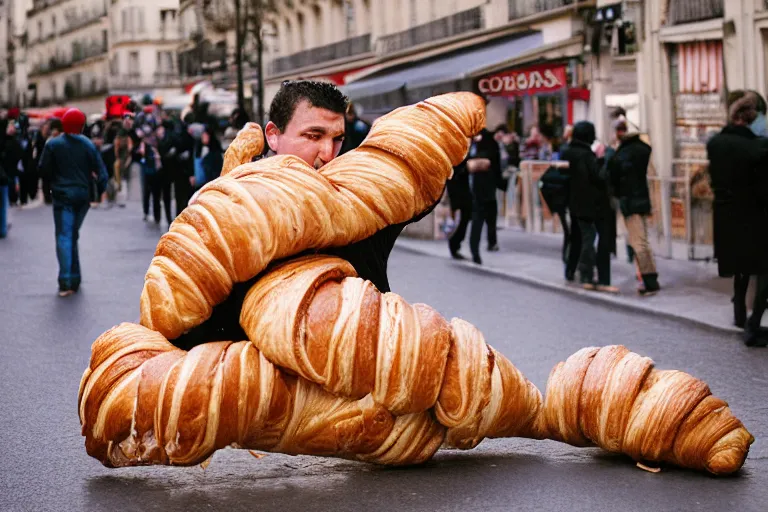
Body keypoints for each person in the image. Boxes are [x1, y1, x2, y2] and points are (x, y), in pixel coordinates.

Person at [174, 80, 438, 348]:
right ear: (273, 135)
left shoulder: (358, 203)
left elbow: (422, 191)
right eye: (313, 136)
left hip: (359, 373)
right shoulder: (233, 216)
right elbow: (189, 325)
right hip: (263, 376)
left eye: (337, 139)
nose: (327, 154)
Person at [707, 92, 768, 346]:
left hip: (726, 216)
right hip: (754, 217)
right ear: (749, 118)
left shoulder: (716, 143)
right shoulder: (757, 148)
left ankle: (739, 315)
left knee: (741, 268)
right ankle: (753, 325)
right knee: (764, 269)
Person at [39, 108, 108, 297]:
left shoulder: (53, 145)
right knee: (73, 235)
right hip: (82, 196)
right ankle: (75, 278)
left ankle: (66, 281)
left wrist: (51, 186)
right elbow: (102, 173)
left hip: (62, 195)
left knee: (64, 236)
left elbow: (44, 170)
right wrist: (98, 193)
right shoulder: (87, 144)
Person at [561, 121, 616, 292]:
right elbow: (598, 177)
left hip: (574, 202)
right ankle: (588, 274)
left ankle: (571, 271)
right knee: (589, 238)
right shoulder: (586, 155)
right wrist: (603, 159)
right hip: (592, 204)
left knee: (577, 237)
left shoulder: (568, 153)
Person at [607, 120, 660, 295]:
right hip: (642, 198)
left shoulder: (621, 155)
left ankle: (649, 280)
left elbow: (612, 177)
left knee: (638, 242)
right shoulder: (643, 150)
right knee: (643, 240)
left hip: (630, 202)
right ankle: (650, 277)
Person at [467, 128, 502, 265]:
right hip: (484, 189)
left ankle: (479, 248)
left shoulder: (483, 142)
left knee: (482, 219)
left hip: (481, 189)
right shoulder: (482, 142)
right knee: (485, 218)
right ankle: (482, 247)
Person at [446, 154, 472, 260]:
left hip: (460, 193)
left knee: (463, 220)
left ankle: (455, 245)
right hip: (458, 194)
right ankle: (454, 245)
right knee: (461, 221)